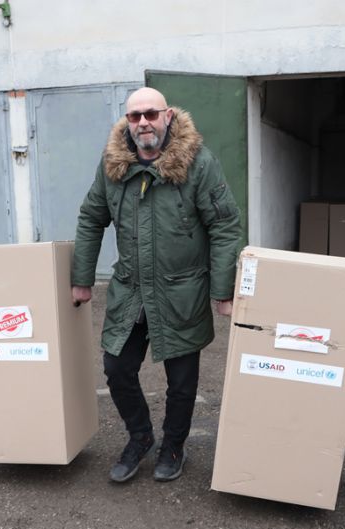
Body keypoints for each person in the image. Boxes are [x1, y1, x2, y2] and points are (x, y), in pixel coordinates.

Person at [71, 87, 242, 483]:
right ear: (127, 123)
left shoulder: (199, 163)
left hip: (181, 291)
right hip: (131, 290)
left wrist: (223, 290)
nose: (143, 122)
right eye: (134, 116)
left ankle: (174, 444)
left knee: (181, 382)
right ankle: (140, 435)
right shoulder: (113, 167)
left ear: (167, 116)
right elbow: (90, 217)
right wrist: (82, 280)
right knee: (116, 368)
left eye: (150, 114)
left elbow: (224, 224)